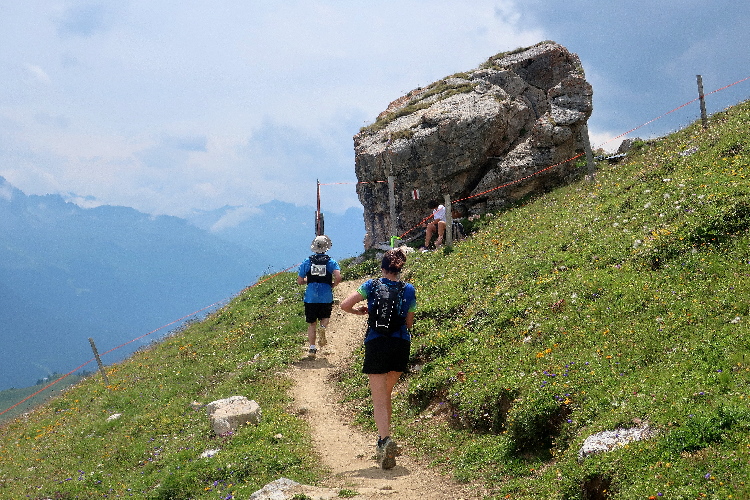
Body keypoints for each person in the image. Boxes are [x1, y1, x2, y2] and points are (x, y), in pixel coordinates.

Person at [340, 248, 416, 469]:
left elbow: (345, 305)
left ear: (383, 268)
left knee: (379, 399)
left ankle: (384, 440)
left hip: (376, 343)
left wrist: (360, 312)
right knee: (386, 394)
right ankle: (385, 439)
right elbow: (409, 323)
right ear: (400, 269)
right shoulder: (409, 289)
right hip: (400, 344)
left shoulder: (371, 285)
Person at [297, 235, 342, 358]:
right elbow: (338, 277)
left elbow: (300, 281)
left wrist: (309, 280)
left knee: (312, 323)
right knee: (325, 317)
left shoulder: (307, 261)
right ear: (327, 248)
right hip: (326, 295)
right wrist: (333, 284)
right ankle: (322, 327)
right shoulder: (331, 262)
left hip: (311, 297)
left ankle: (312, 349)